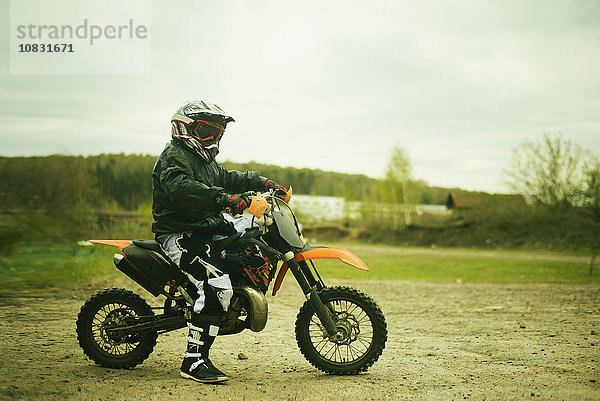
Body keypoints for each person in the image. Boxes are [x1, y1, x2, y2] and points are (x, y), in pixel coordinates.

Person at [151, 100, 286, 383]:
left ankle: (235, 304)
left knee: (253, 243)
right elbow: (185, 189)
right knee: (216, 286)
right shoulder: (174, 158)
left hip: (206, 229)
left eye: (218, 134)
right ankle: (193, 361)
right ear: (185, 129)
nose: (213, 139)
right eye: (207, 132)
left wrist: (264, 183)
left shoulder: (205, 162)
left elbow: (229, 177)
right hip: (180, 233)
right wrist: (227, 200)